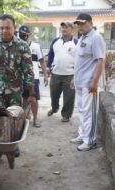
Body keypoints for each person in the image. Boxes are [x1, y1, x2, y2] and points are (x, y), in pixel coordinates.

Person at [70, 13, 106, 151]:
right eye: (78, 24)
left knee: (89, 112)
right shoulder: (82, 38)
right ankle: (82, 135)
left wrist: (95, 82)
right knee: (82, 110)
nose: (80, 26)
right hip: (80, 82)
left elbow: (100, 61)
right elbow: (80, 61)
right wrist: (74, 78)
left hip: (90, 83)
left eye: (83, 23)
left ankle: (90, 140)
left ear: (90, 23)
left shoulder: (96, 38)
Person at [18, 25, 48, 128]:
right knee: (23, 98)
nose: (23, 36)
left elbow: (42, 61)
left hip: (33, 77)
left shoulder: (36, 46)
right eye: (21, 34)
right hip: (20, 76)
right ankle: (24, 117)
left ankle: (35, 119)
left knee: (34, 98)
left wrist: (45, 75)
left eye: (25, 34)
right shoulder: (17, 45)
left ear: (29, 35)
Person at [47, 22, 77, 122]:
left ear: (72, 29)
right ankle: (54, 108)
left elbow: (79, 59)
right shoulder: (55, 41)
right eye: (62, 27)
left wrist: (76, 74)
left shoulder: (76, 42)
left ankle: (66, 115)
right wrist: (48, 67)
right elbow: (50, 55)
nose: (63, 29)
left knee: (69, 97)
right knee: (53, 94)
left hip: (70, 75)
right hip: (55, 74)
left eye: (66, 27)